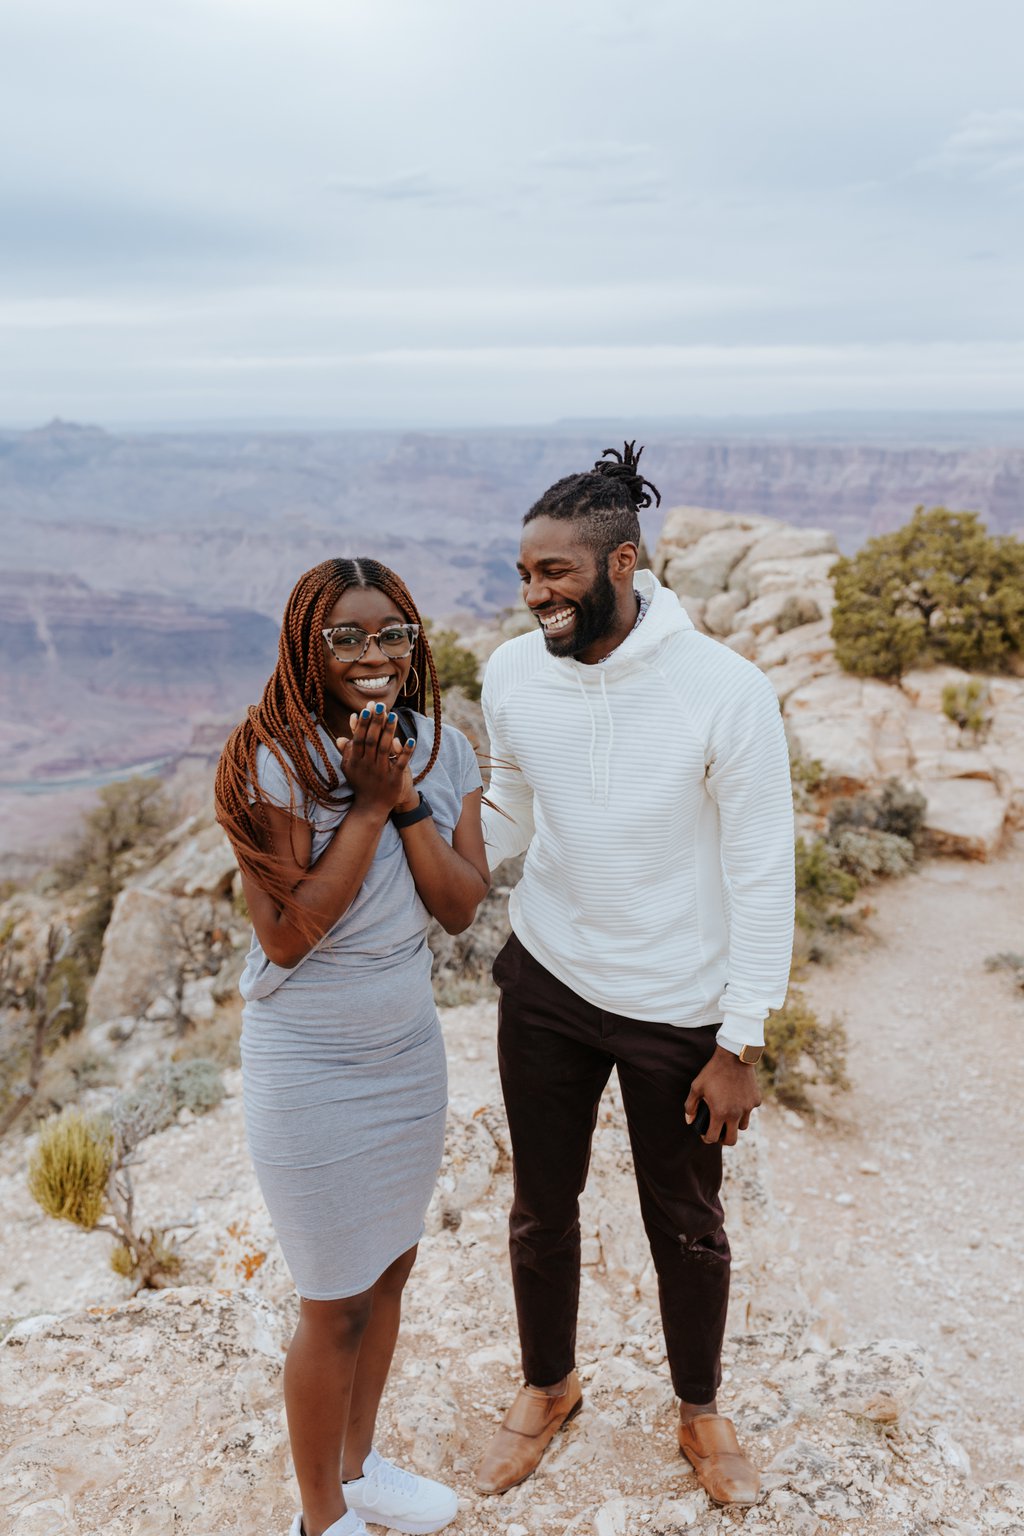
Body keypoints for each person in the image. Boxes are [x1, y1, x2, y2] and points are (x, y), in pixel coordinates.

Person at [474, 444, 795, 1507]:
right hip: (550, 981)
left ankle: (699, 1413)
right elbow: (511, 803)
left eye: (554, 575)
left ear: (621, 563)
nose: (534, 597)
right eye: (523, 576)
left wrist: (738, 1040)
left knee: (686, 1222)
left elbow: (760, 872)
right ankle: (548, 1385)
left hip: (677, 1007)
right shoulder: (516, 672)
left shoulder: (724, 692)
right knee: (539, 1204)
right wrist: (418, 837)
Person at [215, 557, 489, 1536]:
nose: (374, 654)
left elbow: (459, 906)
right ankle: (320, 1516)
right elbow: (288, 935)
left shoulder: (443, 747)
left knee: (389, 1272)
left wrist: (405, 795)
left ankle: (363, 1467)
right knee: (332, 1304)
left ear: (415, 642)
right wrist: (368, 806)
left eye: (392, 634)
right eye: (348, 636)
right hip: (311, 1068)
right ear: (306, 645)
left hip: (405, 1055)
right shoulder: (271, 760)